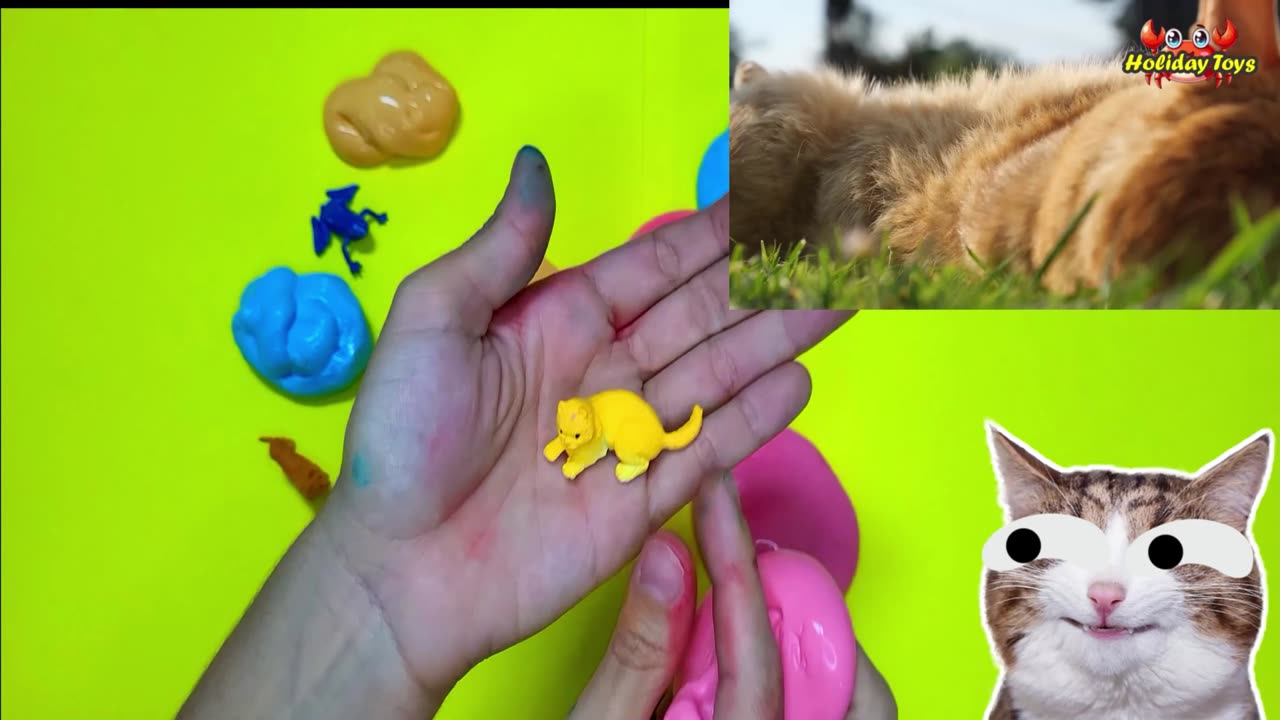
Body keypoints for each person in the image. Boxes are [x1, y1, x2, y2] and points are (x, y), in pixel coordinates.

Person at [177, 146, 887, 718]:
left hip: (634, 441)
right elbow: (578, 440)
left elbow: (595, 441)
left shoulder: (594, 432)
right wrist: (371, 567)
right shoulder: (574, 429)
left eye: (567, 434)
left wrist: (365, 578)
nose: (565, 434)